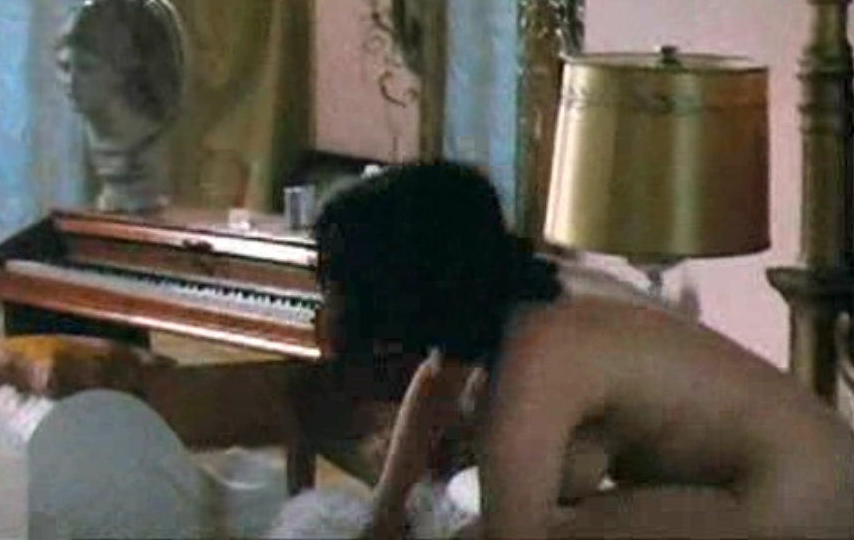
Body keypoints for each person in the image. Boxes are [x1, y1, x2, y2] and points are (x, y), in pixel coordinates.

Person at [308, 159, 854, 539]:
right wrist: (382, 515)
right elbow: (435, 381)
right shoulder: (517, 288)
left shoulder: (536, 354)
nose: (329, 301)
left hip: (805, 501)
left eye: (339, 285)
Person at [54, 0, 186, 214]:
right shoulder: (94, 128)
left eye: (87, 68)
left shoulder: (141, 131)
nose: (71, 82)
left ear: (122, 67)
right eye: (64, 67)